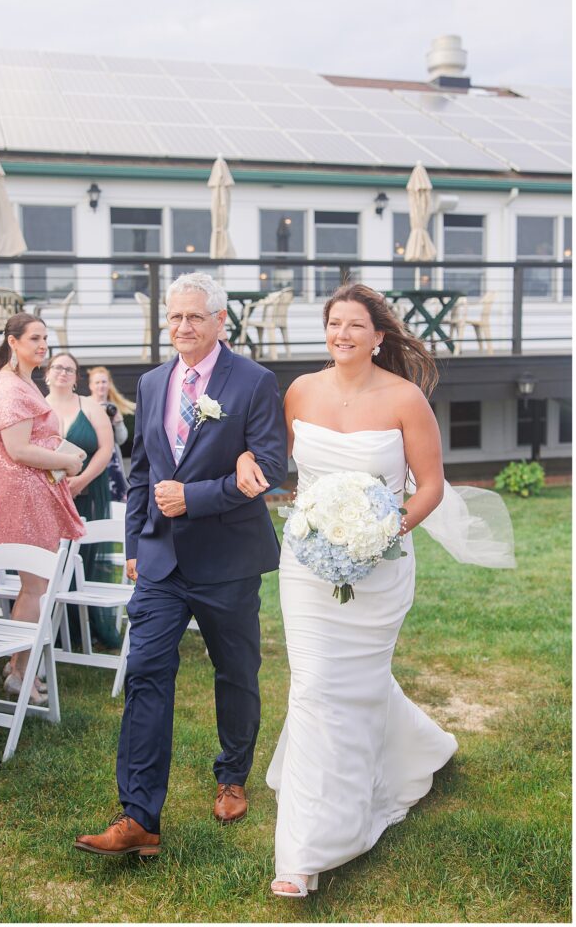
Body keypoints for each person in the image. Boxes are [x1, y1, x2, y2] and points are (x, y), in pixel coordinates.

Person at [236, 282, 514, 898]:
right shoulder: (301, 391)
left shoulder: (405, 398)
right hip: (308, 563)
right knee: (313, 686)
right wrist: (243, 463)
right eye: (334, 323)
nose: (342, 334)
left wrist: (382, 531)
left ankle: (416, 752)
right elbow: (273, 456)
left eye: (355, 325)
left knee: (355, 685)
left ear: (378, 336)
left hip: (381, 564)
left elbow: (430, 486)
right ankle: (304, 852)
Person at [75, 271, 287, 858]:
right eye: (174, 317)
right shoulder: (150, 382)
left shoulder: (255, 382)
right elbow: (141, 470)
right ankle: (139, 815)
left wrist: (195, 497)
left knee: (235, 671)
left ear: (221, 320)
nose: (183, 327)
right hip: (162, 560)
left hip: (229, 558)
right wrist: (137, 545)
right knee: (145, 674)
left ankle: (232, 775)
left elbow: (270, 466)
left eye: (195, 316)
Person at [0, 314, 85, 704]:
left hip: (35, 493)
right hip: (21, 498)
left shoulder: (25, 381)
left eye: (46, 338)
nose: (43, 345)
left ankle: (18, 667)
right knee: (35, 585)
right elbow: (18, 449)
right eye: (35, 338)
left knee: (36, 585)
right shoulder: (9, 387)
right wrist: (65, 462)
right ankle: (18, 671)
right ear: (13, 341)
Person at [44, 353, 118, 646]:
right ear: (47, 373)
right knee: (51, 562)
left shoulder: (89, 407)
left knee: (82, 560)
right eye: (58, 367)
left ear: (76, 378)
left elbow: (106, 448)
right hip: (48, 501)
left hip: (86, 495)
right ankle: (49, 629)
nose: (63, 373)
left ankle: (82, 628)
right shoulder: (38, 407)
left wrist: (81, 480)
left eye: (70, 369)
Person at [87, 365, 135, 503]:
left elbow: (121, 440)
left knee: (115, 499)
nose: (101, 386)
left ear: (109, 384)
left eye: (103, 382)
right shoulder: (84, 403)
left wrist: (118, 422)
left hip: (112, 459)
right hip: (92, 456)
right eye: (97, 382)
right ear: (91, 385)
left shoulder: (112, 407)